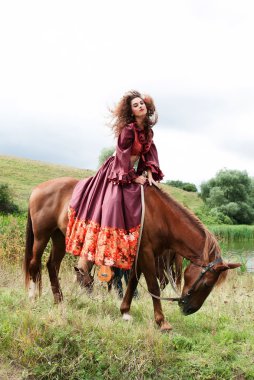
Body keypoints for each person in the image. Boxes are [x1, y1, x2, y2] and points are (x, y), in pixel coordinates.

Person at [66, 90, 164, 271]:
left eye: (141, 103)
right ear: (131, 111)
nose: (140, 106)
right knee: (113, 202)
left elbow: (149, 154)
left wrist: (150, 176)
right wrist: (134, 178)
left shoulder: (148, 131)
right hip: (116, 170)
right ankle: (93, 259)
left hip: (129, 170)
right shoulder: (128, 130)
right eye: (135, 105)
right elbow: (122, 157)